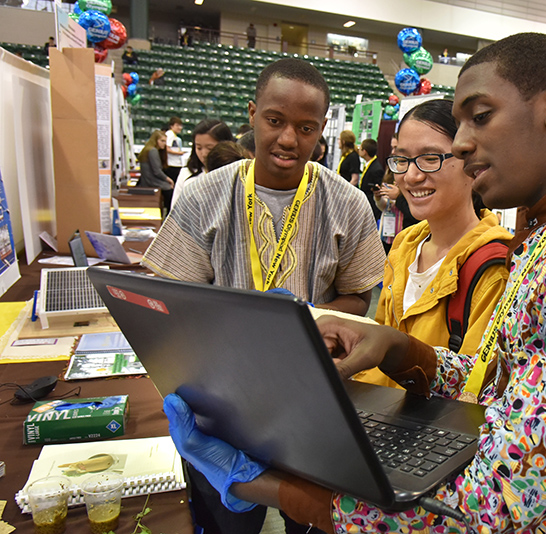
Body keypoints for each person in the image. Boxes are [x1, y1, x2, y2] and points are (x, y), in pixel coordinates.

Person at [164, 32, 546, 533]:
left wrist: (260, 485)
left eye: (480, 116)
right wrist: (406, 351)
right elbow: (509, 395)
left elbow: (493, 501)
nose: (460, 145)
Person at [147, 57, 384, 534]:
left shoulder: (349, 203)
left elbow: (360, 295)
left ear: (321, 131)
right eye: (275, 121)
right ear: (253, 114)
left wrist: (306, 323)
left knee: (312, 515)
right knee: (230, 517)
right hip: (219, 397)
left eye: (306, 127)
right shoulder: (202, 197)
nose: (288, 139)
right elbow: (172, 302)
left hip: (311, 393)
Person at [356, 99, 511, 389]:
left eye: (430, 158)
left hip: (435, 430)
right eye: (402, 159)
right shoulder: (405, 245)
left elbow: (478, 384)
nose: (412, 176)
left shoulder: (493, 267)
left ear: (470, 161)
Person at [170, 119, 234, 208]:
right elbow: (175, 210)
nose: (203, 154)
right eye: (199, 148)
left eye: (210, 148)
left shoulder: (235, 173)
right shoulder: (186, 173)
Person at [136, 130, 173, 208]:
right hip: (151, 181)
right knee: (170, 188)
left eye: (165, 141)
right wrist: (169, 179)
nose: (164, 143)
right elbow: (157, 171)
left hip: (147, 181)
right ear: (155, 140)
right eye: (162, 141)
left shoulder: (147, 149)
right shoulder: (153, 151)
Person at [355, 138, 383, 220]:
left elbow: (375, 192)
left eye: (360, 149)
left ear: (365, 152)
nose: (358, 150)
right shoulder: (368, 165)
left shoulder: (376, 169)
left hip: (371, 209)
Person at [164, 116, 185, 182]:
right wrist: (179, 153)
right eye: (177, 125)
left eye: (180, 125)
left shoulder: (174, 136)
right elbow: (166, 149)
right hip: (172, 164)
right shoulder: (170, 134)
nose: (180, 128)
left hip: (176, 164)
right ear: (171, 126)